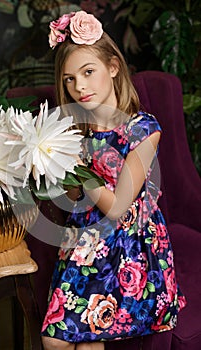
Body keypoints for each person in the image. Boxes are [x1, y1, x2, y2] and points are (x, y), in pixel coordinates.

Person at [41, 10, 186, 350]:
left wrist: (80, 169)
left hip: (128, 246)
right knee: (55, 341)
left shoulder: (143, 130)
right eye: (69, 79)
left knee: (87, 339)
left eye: (88, 72)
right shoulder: (79, 130)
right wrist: (56, 166)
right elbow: (76, 197)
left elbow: (119, 208)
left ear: (113, 67)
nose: (80, 87)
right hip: (85, 239)